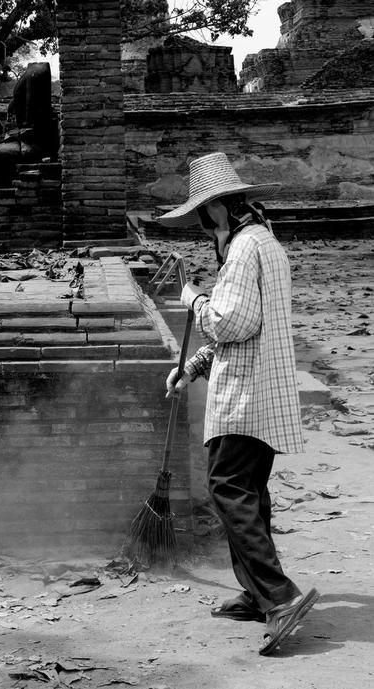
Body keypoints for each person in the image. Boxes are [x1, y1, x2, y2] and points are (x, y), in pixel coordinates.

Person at [159, 151, 319, 656]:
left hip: (246, 396)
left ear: (219, 211)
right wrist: (192, 368)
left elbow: (229, 324)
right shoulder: (262, 243)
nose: (202, 227)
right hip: (261, 390)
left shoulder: (246, 247)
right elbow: (242, 329)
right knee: (249, 493)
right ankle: (255, 593)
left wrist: (191, 298)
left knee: (228, 489)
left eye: (202, 217)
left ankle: (279, 596)